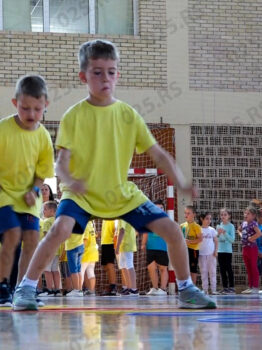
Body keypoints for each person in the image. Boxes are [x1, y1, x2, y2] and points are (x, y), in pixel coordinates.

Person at [13, 39, 215, 310]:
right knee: (58, 229)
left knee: (171, 229)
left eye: (111, 71)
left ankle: (187, 289)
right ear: (83, 76)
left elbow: (158, 154)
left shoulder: (128, 115)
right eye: (97, 72)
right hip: (81, 194)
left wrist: (181, 181)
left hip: (120, 193)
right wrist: (70, 180)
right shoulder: (74, 116)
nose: (105, 78)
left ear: (118, 74)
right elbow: (60, 162)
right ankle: (25, 289)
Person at [0, 74, 55, 307]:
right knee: (13, 234)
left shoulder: (44, 136)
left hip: (27, 195)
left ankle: (24, 288)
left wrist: (35, 188)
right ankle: (2, 286)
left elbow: (43, 169)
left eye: (37, 109)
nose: (31, 114)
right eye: (25, 108)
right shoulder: (0, 129)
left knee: (32, 238)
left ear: (46, 105)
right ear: (15, 103)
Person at [141, 199, 169, 296]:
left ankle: (163, 289)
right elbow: (145, 232)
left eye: (161, 208)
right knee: (151, 268)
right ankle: (155, 288)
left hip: (162, 247)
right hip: (150, 247)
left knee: (163, 268)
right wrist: (143, 244)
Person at [38, 201, 62, 296]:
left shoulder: (47, 222)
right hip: (57, 249)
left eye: (45, 209)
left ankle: (49, 290)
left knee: (47, 270)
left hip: (49, 250)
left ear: (52, 211)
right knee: (55, 270)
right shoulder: (58, 221)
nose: (43, 211)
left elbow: (46, 237)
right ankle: (57, 289)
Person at [238, 206, 262, 294]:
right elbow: (239, 230)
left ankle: (255, 287)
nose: (245, 215)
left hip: (252, 248)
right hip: (245, 248)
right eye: (245, 213)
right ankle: (250, 286)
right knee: (248, 268)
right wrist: (241, 236)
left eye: (248, 213)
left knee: (253, 267)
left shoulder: (254, 224)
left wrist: (252, 238)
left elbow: (259, 233)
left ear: (253, 216)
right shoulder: (244, 223)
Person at [181, 205, 203, 285]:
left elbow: (200, 239)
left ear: (194, 214)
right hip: (184, 250)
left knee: (192, 268)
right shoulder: (182, 225)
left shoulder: (196, 226)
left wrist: (189, 242)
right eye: (185, 213)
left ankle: (193, 286)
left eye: (188, 213)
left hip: (193, 250)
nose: (186, 215)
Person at [115, 220, 138, 296]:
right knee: (123, 266)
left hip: (126, 244)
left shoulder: (123, 217)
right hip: (124, 245)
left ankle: (134, 289)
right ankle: (128, 287)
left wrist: (117, 246)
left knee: (129, 265)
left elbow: (122, 231)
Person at [198, 212, 219, 295]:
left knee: (213, 272)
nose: (209, 220)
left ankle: (213, 290)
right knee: (203, 272)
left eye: (210, 219)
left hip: (211, 254)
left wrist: (216, 251)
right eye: (207, 218)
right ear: (201, 219)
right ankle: (205, 289)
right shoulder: (198, 229)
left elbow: (216, 241)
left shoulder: (212, 230)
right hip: (201, 254)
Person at [64, 220, 86, 297]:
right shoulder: (81, 221)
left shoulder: (70, 221)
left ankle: (76, 290)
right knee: (78, 269)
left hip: (71, 246)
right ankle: (79, 289)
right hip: (80, 245)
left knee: (73, 270)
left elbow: (67, 235)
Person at [216, 208, 235, 294]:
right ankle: (225, 287)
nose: (223, 216)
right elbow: (217, 239)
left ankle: (232, 287)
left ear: (229, 216)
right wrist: (218, 234)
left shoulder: (231, 226)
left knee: (228, 269)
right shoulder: (218, 226)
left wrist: (225, 233)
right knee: (222, 269)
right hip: (220, 251)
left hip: (227, 251)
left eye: (225, 215)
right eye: (222, 215)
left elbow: (232, 240)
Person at [100, 219, 118, 296]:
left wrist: (115, 242)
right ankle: (111, 285)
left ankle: (113, 286)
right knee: (106, 266)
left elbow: (116, 230)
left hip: (110, 243)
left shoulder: (114, 218)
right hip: (104, 243)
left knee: (110, 265)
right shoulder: (104, 218)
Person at [80, 221, 98, 295]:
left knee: (81, 272)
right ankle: (92, 291)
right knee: (91, 272)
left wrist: (80, 251)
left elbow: (85, 239)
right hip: (93, 252)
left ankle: (79, 290)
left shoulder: (85, 225)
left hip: (86, 253)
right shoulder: (91, 225)